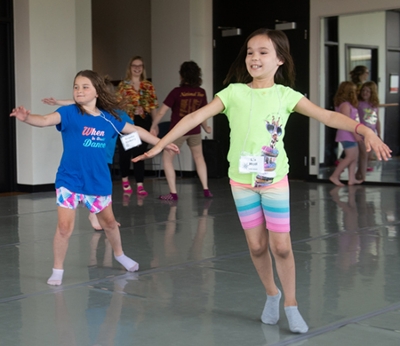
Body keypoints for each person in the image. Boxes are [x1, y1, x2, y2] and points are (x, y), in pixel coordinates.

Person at [133, 28, 391, 334]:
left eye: (263, 52)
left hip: (274, 181)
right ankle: (272, 293)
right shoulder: (233, 93)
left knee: (281, 246)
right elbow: (191, 118)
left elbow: (328, 117)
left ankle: (291, 304)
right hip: (240, 182)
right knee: (256, 246)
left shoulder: (286, 95)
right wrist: (160, 143)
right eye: (250, 52)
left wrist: (365, 130)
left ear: (280, 59)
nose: (254, 58)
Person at [10, 70, 179, 286]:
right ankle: (57, 269)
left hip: (97, 182)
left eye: (85, 86)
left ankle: (119, 254)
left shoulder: (110, 119)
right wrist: (27, 118)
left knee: (109, 223)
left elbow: (136, 129)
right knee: (64, 228)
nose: (79, 90)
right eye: (76, 87)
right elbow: (44, 120)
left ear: (97, 91)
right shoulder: (69, 112)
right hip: (69, 180)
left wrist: (161, 142)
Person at [42, 76, 135, 231]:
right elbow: (75, 103)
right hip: (92, 153)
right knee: (92, 180)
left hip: (104, 154)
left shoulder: (114, 114)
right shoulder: (87, 108)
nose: (81, 92)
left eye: (86, 88)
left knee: (98, 182)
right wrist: (57, 102)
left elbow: (131, 130)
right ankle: (95, 214)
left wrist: (129, 145)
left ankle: (97, 214)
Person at [150, 61, 213, 201]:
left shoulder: (176, 92)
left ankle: (173, 193)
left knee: (167, 159)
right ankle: (206, 189)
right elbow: (202, 114)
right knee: (199, 158)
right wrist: (206, 128)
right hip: (195, 130)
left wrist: (153, 126)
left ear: (182, 76)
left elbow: (161, 112)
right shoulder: (201, 92)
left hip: (178, 131)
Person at [116, 56, 159, 197]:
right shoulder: (123, 85)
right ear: (130, 67)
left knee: (140, 153)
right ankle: (125, 179)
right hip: (127, 122)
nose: (137, 68)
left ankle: (140, 183)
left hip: (143, 121)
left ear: (143, 68)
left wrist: (154, 124)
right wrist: (130, 109)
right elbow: (117, 105)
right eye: (134, 65)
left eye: (140, 65)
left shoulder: (148, 86)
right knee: (125, 153)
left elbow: (153, 106)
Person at [329, 81, 364, 186]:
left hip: (351, 135)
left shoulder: (348, 104)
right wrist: (356, 135)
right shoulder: (345, 105)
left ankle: (351, 178)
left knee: (354, 156)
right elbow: (348, 123)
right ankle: (335, 176)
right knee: (350, 156)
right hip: (346, 135)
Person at [355, 81, 381, 180]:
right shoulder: (359, 104)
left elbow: (377, 120)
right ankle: (363, 177)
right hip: (361, 132)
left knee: (367, 155)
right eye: (363, 90)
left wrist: (379, 134)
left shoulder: (374, 105)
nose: (365, 93)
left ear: (372, 93)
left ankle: (359, 173)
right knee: (364, 154)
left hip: (371, 133)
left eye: (368, 91)